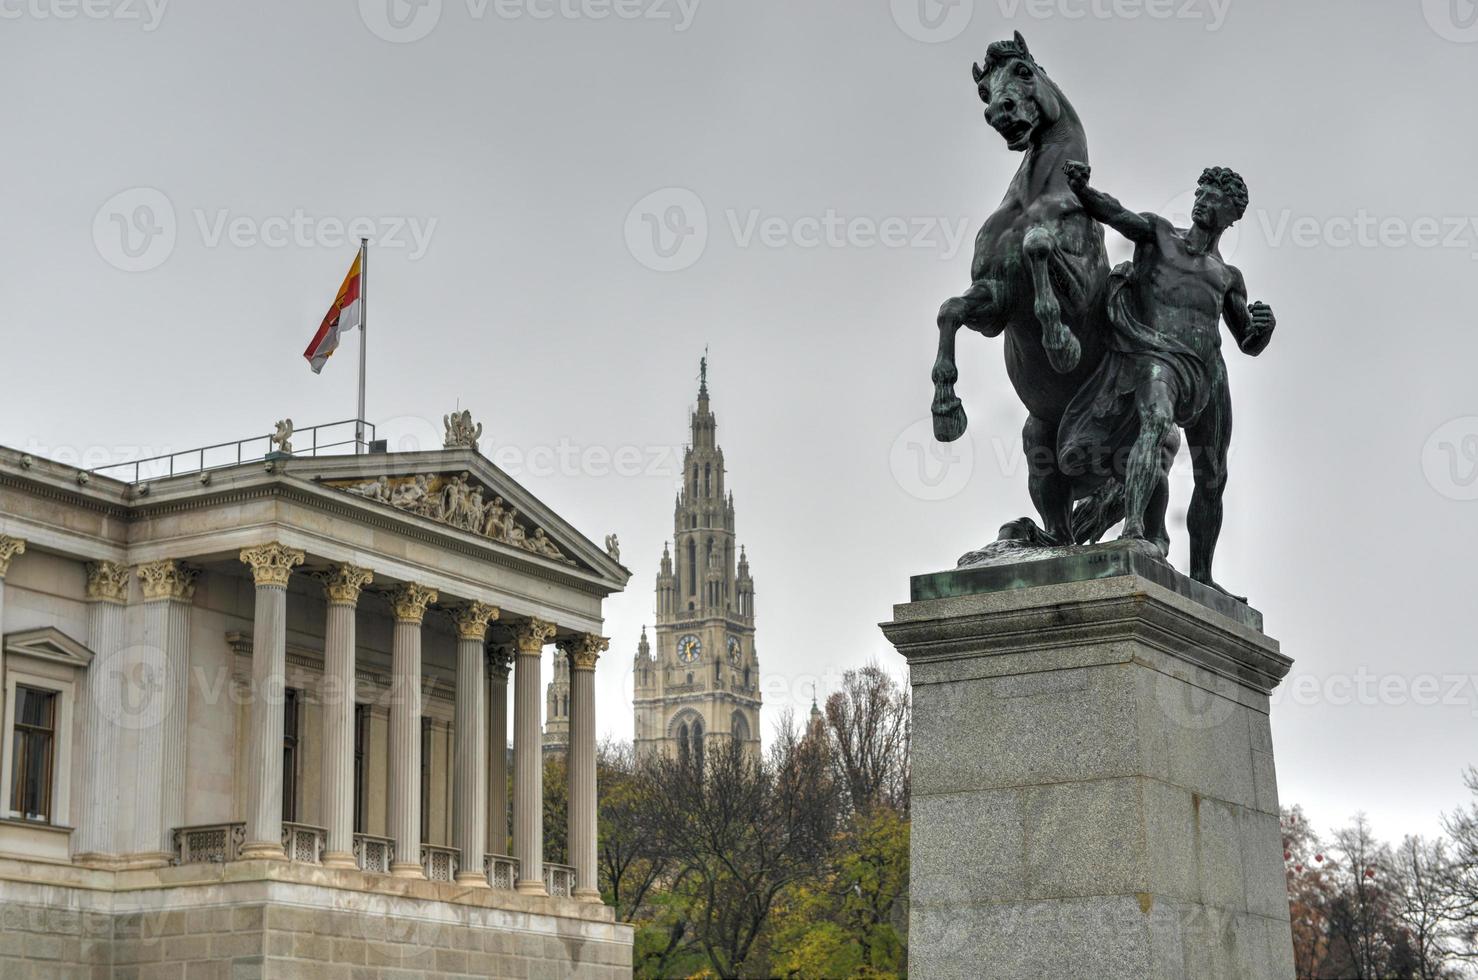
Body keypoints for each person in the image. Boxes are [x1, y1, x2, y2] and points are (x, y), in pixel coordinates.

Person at [1059, 161, 1275, 597]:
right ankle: (1135, 530)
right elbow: (1116, 213)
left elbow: (1245, 341)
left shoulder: (1228, 277)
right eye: (1200, 193)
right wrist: (1084, 190)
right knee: (1155, 423)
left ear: (1231, 216)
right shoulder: (1158, 235)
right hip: (1158, 356)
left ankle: (1202, 574)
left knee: (1213, 473)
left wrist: (1263, 330)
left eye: (1214, 199)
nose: (1202, 201)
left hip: (1208, 372)